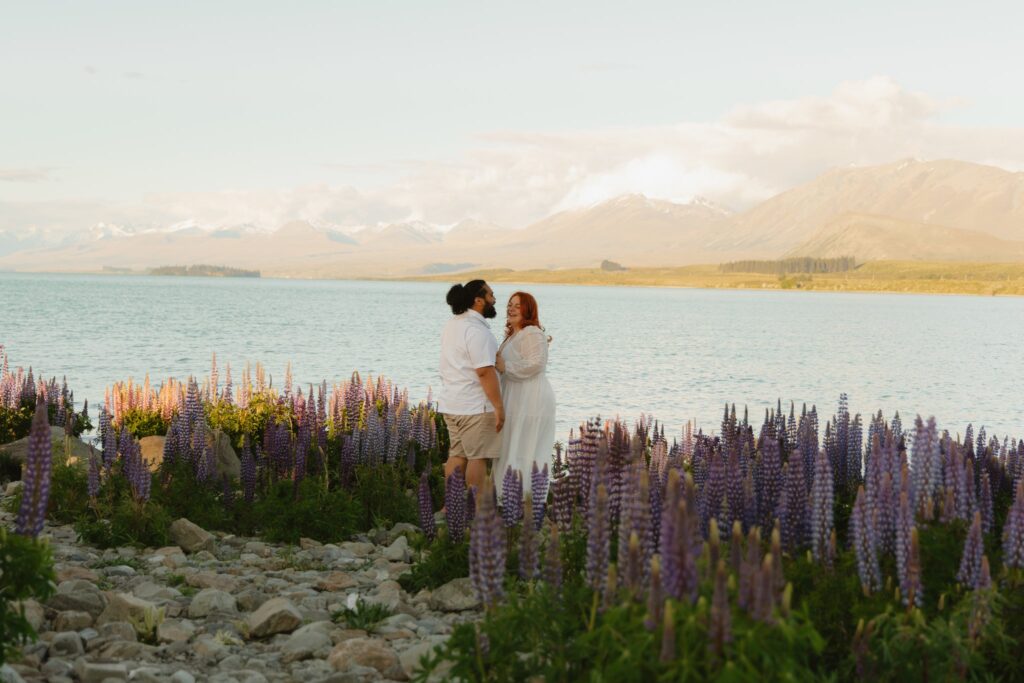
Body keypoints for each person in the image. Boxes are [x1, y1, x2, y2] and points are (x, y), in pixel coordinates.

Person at [438, 279, 504, 493]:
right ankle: (475, 509)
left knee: (457, 455)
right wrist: (499, 407)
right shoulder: (478, 331)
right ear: (478, 300)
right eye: (491, 295)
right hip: (475, 407)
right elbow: (484, 372)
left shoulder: (452, 324)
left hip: (452, 403)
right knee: (478, 458)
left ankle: (451, 507)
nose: (494, 300)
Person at [494, 291, 555, 495]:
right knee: (512, 444)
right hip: (515, 395)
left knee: (525, 445)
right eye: (509, 304)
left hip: (531, 397)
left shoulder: (531, 332)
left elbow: (537, 364)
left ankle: (525, 497)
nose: (510, 308)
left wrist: (505, 367)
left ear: (528, 309)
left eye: (517, 305)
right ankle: (507, 495)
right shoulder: (514, 334)